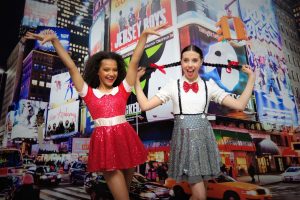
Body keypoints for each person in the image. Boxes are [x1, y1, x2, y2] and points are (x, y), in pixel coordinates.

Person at [25, 24, 165, 200]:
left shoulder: (123, 89)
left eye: (114, 69)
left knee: (124, 195)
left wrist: (143, 36)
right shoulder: (88, 93)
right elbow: (72, 67)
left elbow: (134, 62)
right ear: (97, 71)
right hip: (105, 142)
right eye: (106, 69)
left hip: (126, 139)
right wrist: (55, 41)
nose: (111, 73)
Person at [135, 44, 255, 200]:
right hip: (184, 140)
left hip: (205, 140)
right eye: (186, 60)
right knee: (200, 195)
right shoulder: (173, 85)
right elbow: (145, 105)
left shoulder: (209, 86)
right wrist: (137, 82)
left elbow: (240, 105)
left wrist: (251, 79)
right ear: (181, 62)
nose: (190, 64)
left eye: (194, 60)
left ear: (201, 62)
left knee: (199, 194)